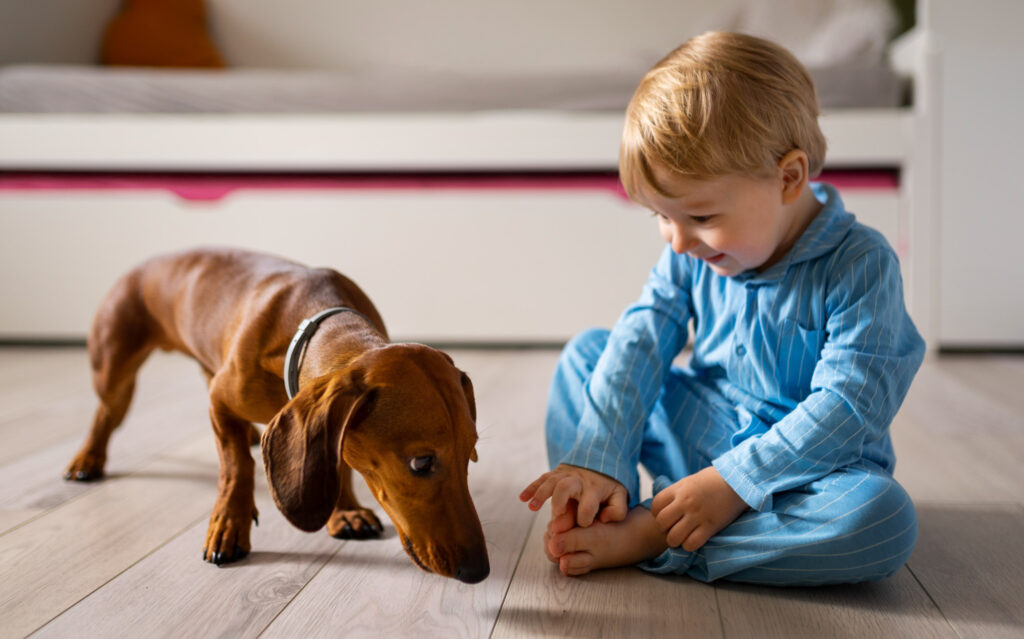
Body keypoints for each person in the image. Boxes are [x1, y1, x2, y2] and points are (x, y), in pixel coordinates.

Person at [519, 31, 925, 585]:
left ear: (788, 178)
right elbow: (645, 334)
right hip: (701, 430)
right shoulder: (691, 251)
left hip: (801, 473)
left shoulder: (862, 264)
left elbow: (850, 408)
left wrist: (733, 483)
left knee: (882, 519)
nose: (678, 241)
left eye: (702, 218)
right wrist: (599, 455)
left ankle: (658, 533)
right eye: (662, 217)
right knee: (589, 354)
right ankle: (604, 500)